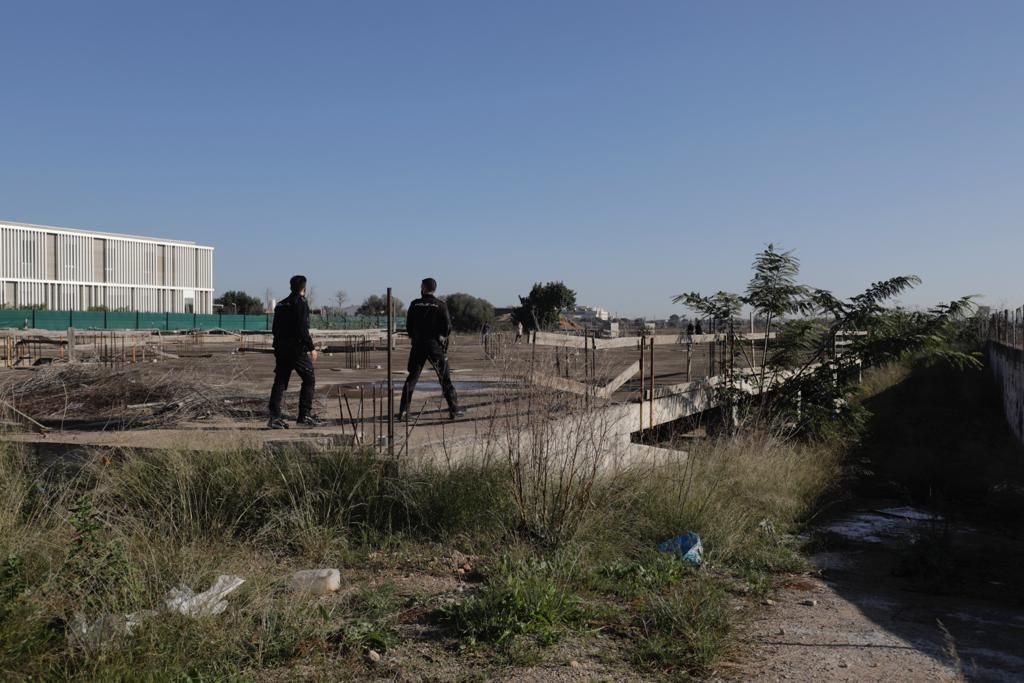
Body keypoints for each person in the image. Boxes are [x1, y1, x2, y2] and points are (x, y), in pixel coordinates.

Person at [398, 278, 464, 421]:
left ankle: (403, 411)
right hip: (435, 346)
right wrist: (441, 338)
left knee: (412, 379)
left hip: (418, 345)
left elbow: (409, 326)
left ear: (423, 288)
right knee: (444, 378)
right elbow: (447, 327)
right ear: (434, 289)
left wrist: (415, 337)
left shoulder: (414, 304)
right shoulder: (440, 305)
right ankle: (454, 410)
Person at [268, 275, 324, 428]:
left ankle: (274, 418)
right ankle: (304, 415)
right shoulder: (300, 303)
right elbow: (302, 329)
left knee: (280, 381)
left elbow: (275, 329)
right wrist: (311, 348)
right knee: (309, 379)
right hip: (296, 350)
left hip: (281, 349)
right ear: (303, 288)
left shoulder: (280, 305)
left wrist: (280, 345)